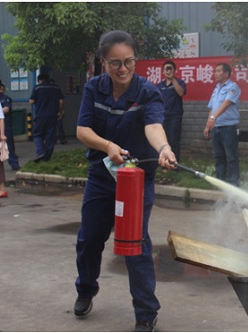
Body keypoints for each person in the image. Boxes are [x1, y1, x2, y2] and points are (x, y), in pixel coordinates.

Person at [74, 30, 176, 332]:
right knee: (90, 238)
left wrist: (164, 148)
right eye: (115, 63)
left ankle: (146, 312)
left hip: (136, 180)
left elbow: (154, 125)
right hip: (101, 177)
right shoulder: (94, 88)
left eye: (129, 62)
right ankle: (86, 289)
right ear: (103, 62)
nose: (122, 70)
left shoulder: (147, 92)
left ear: (136, 60)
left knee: (135, 243)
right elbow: (83, 131)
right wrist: (107, 146)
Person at [203, 63, 241, 186]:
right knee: (218, 156)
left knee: (231, 157)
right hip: (216, 128)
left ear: (226, 74)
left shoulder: (233, 87)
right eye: (215, 71)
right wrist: (208, 125)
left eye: (218, 71)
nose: (215, 73)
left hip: (228, 128)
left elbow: (226, 104)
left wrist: (214, 117)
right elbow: (212, 108)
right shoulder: (216, 89)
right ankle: (220, 182)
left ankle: (233, 184)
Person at [29, 72, 65, 162]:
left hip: (40, 115)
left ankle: (41, 152)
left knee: (37, 135)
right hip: (52, 115)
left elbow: (31, 101)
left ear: (39, 80)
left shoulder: (37, 88)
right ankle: (47, 157)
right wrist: (60, 112)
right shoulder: (56, 88)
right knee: (50, 136)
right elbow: (61, 102)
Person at [156, 61, 186, 167]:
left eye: (170, 69)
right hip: (162, 117)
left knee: (174, 140)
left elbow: (181, 93)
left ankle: (174, 164)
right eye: (166, 69)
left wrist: (173, 79)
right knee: (163, 141)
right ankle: (163, 163)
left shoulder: (179, 82)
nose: (168, 71)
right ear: (163, 71)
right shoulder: (160, 85)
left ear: (174, 70)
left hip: (175, 117)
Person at [0, 79, 21, 171]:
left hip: (6, 125)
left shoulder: (6, 98)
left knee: (10, 146)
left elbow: (6, 110)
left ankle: (14, 164)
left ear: (0, 87)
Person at [50, 79, 67, 144]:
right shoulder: (57, 89)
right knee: (60, 126)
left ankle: (53, 140)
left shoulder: (46, 91)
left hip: (48, 112)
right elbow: (61, 102)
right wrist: (61, 111)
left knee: (51, 127)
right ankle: (62, 139)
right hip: (57, 110)